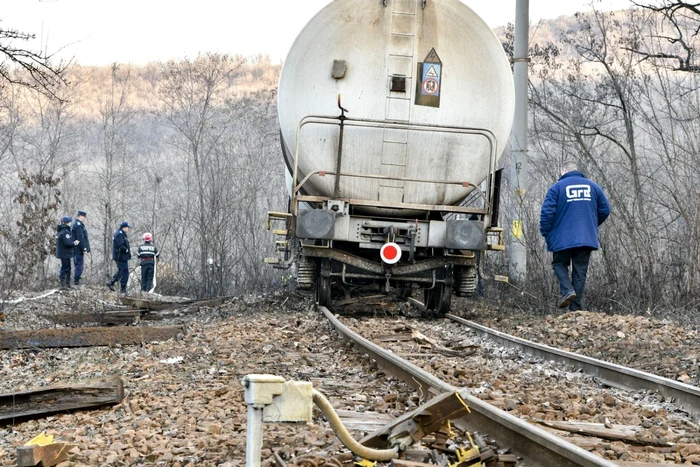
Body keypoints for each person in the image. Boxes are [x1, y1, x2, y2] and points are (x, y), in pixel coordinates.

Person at [539, 161, 610, 311]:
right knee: (580, 272)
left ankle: (567, 291)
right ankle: (575, 309)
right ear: (577, 170)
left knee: (559, 264)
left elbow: (547, 213)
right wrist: (591, 224)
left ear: (563, 171)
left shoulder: (556, 188)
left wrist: (546, 232)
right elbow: (605, 209)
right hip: (586, 238)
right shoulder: (593, 187)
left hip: (561, 238)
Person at [107, 221, 132, 294]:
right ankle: (123, 288)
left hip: (123, 256)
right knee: (125, 272)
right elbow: (120, 245)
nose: (128, 229)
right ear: (124, 227)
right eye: (127, 228)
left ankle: (112, 282)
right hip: (120, 256)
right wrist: (126, 250)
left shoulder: (122, 234)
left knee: (121, 271)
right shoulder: (119, 234)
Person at [55, 216, 78, 290]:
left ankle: (67, 284)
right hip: (64, 253)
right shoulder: (65, 232)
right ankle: (63, 284)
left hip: (64, 253)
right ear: (67, 223)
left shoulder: (62, 231)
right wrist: (74, 243)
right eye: (70, 222)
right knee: (65, 268)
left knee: (67, 268)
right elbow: (67, 243)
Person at [72, 210, 91, 286]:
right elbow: (81, 238)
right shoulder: (79, 225)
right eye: (84, 217)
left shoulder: (75, 224)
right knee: (79, 265)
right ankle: (76, 281)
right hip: (78, 249)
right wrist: (84, 248)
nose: (84, 218)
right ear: (81, 216)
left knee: (77, 264)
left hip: (75, 249)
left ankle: (77, 280)